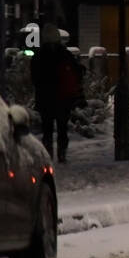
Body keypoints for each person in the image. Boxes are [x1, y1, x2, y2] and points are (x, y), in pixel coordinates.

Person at [30, 23, 84, 163]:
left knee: (47, 129)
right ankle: (62, 154)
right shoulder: (64, 54)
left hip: (45, 98)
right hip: (63, 97)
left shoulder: (39, 56)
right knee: (62, 128)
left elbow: (34, 78)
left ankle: (48, 155)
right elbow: (77, 72)